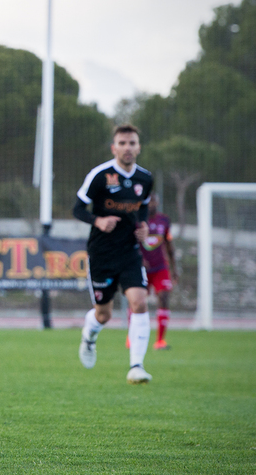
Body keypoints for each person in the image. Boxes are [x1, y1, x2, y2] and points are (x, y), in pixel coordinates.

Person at [73, 124, 154, 384]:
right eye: (122, 143)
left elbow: (142, 208)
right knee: (103, 315)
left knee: (139, 302)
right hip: (102, 254)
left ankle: (136, 366)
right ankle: (89, 336)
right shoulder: (100, 175)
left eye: (132, 143)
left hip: (130, 251)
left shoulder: (145, 178)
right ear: (114, 148)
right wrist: (97, 221)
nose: (127, 147)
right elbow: (77, 209)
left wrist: (143, 226)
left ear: (138, 147)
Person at [128, 194, 178, 350]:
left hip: (160, 267)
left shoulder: (164, 220)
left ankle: (160, 341)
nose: (152, 204)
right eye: (149, 202)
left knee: (164, 297)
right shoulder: (135, 220)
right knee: (137, 302)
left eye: (154, 201)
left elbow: (168, 245)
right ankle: (132, 337)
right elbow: (127, 243)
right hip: (140, 267)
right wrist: (138, 258)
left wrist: (174, 268)